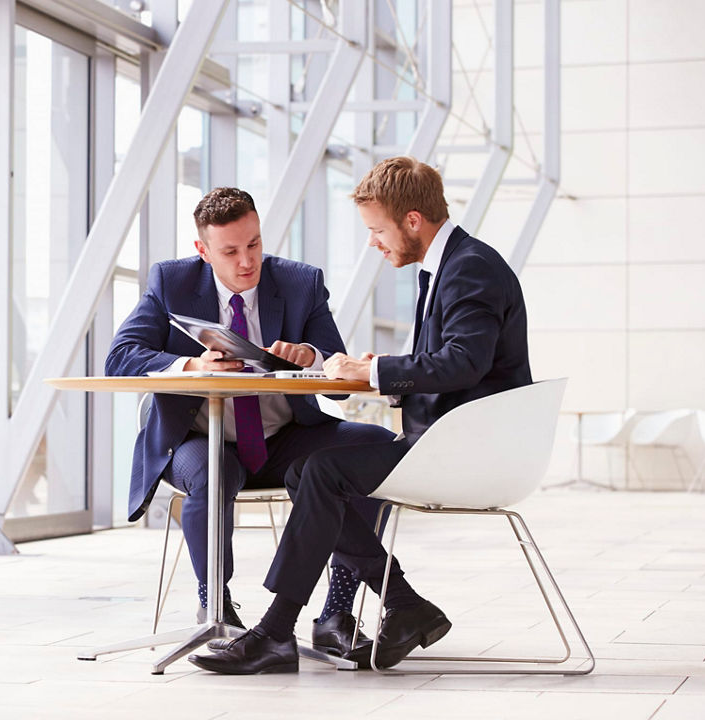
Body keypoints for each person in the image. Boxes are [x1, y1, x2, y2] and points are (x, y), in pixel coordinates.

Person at [189, 156, 532, 675]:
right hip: (459, 440)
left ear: (412, 221)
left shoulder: (470, 268)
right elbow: (457, 365)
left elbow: (464, 363)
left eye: (377, 230)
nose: (374, 242)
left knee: (322, 471)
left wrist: (375, 374)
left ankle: (277, 632)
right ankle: (401, 604)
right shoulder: (451, 265)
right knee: (311, 470)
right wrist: (376, 371)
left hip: (471, 451)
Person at [106, 187, 399, 655]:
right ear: (203, 251)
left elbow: (337, 375)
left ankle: (336, 613)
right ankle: (216, 608)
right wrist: (192, 365)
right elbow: (120, 357)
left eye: (254, 244)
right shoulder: (172, 281)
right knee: (212, 473)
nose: (247, 261)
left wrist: (313, 357)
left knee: (372, 448)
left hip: (284, 439)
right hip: (201, 440)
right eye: (230, 251)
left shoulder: (300, 283)